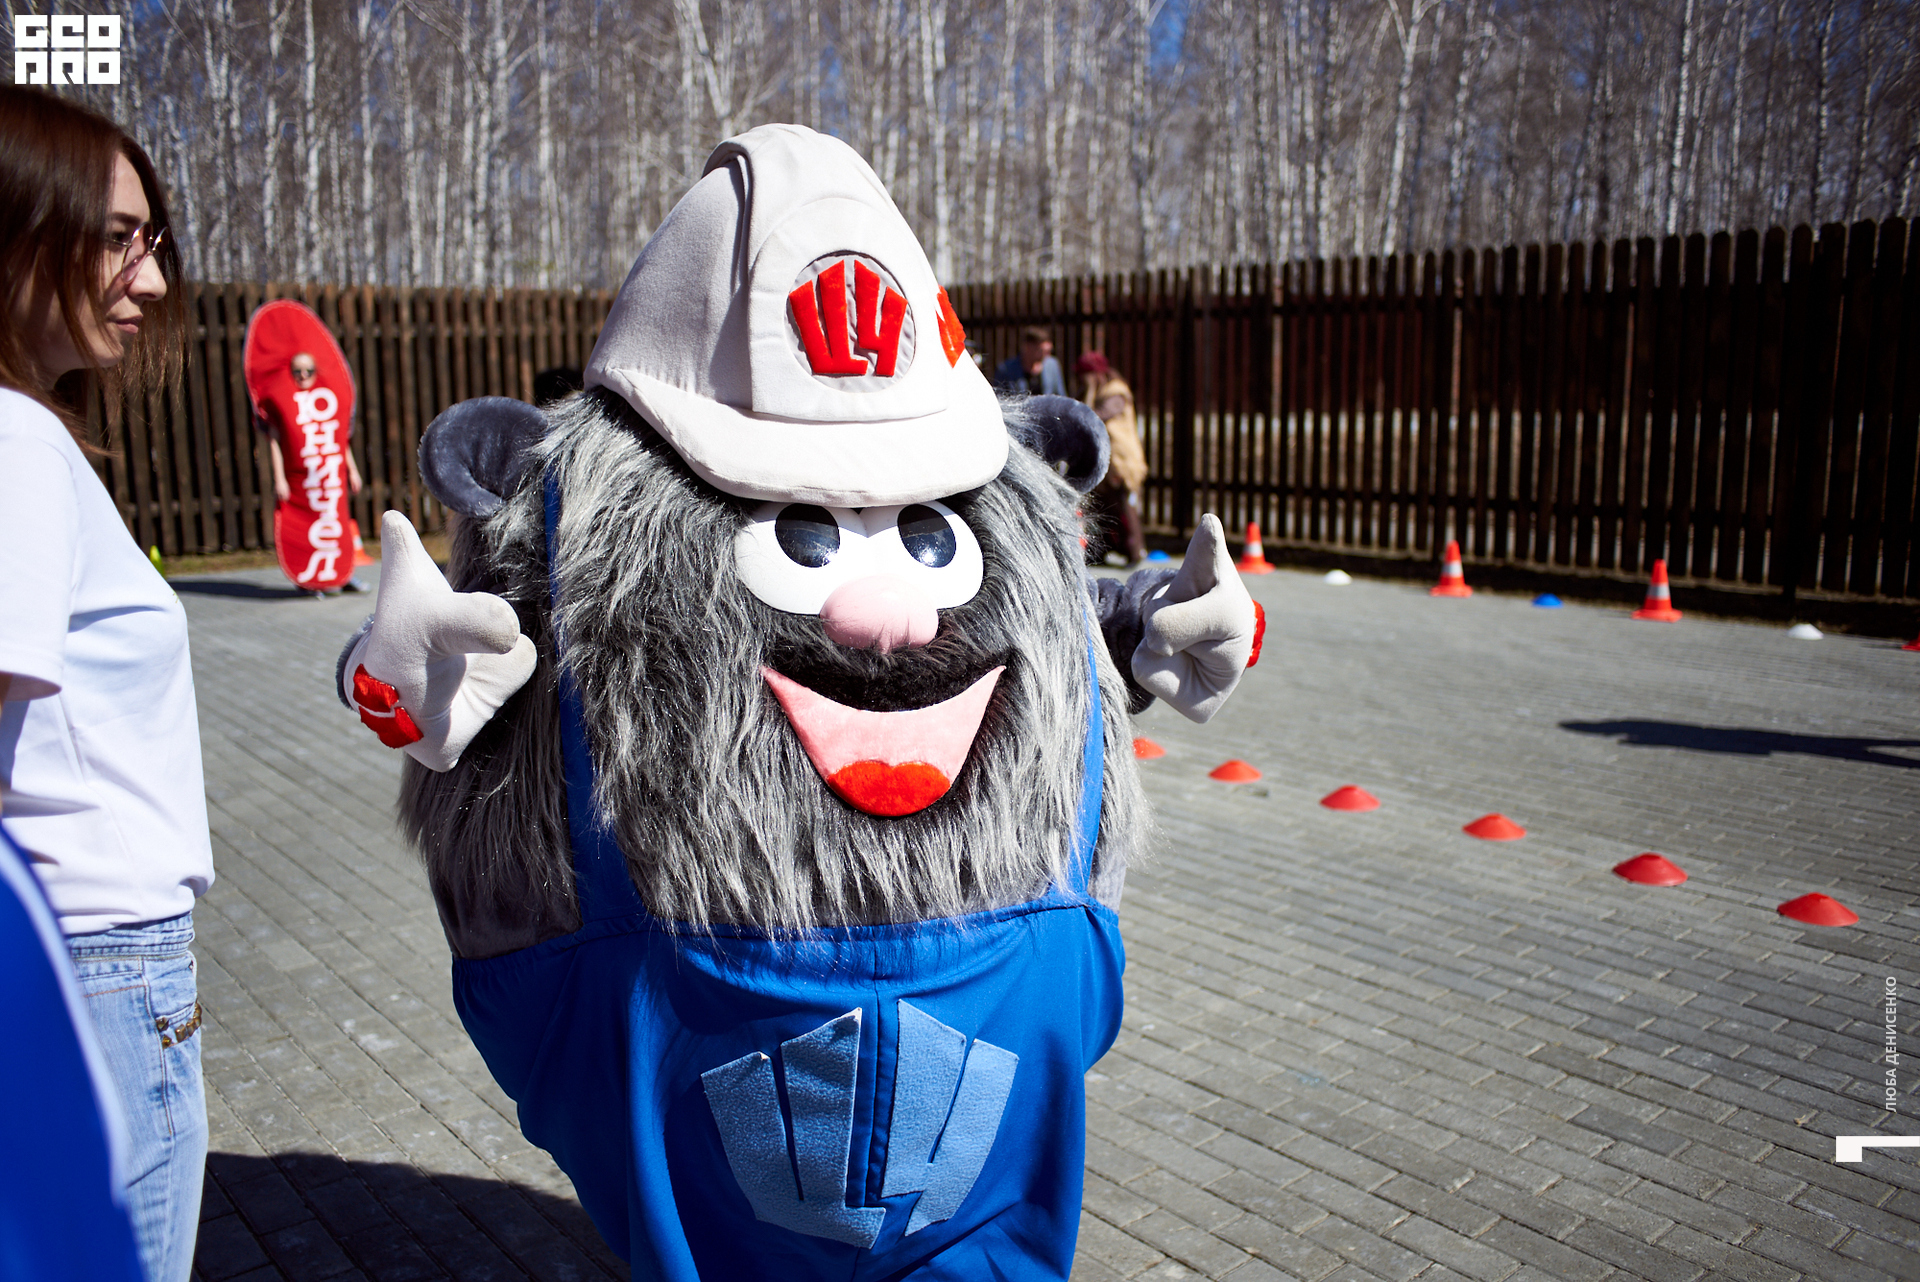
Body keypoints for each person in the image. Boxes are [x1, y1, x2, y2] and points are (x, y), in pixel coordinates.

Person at [0, 85, 212, 1282]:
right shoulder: (17, 444)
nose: (152, 278)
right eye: (120, 238)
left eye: (153, 239)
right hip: (100, 961)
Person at [1076, 350, 1147, 566]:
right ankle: (1108, 548)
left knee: (1124, 504)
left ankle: (1135, 550)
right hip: (1106, 459)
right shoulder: (1102, 391)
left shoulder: (1116, 392)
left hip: (1121, 460)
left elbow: (1095, 416)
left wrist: (1090, 391)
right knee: (1104, 505)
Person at [992, 324, 1066, 397]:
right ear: (1027, 347)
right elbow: (999, 398)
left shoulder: (1052, 365)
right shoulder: (1005, 370)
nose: (1046, 356)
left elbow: (1061, 396)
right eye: (1041, 351)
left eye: (1048, 352)